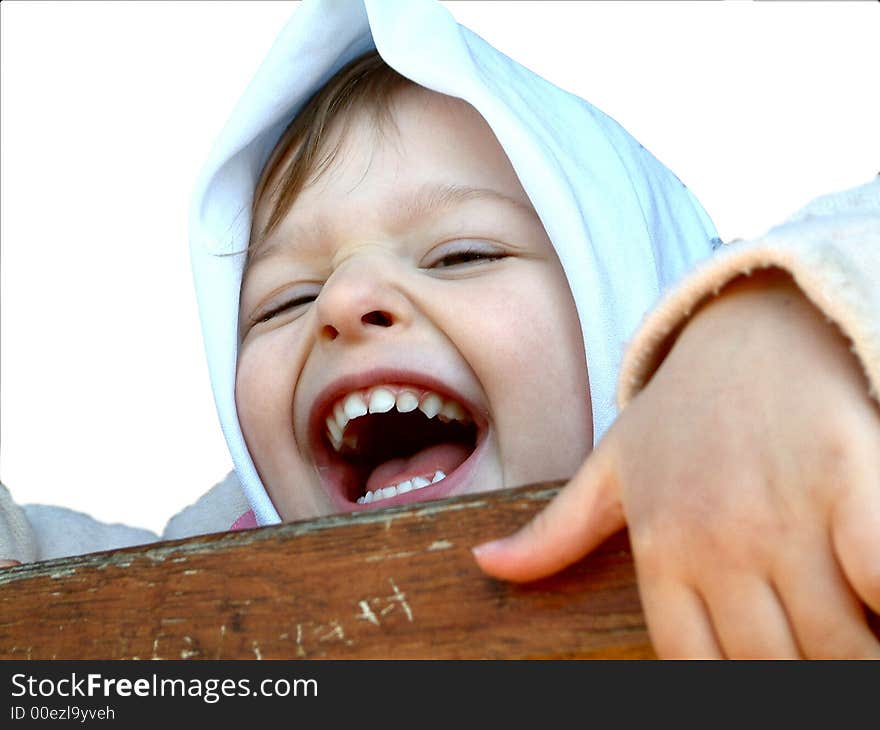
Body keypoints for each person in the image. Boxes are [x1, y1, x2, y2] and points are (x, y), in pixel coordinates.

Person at [2, 0, 878, 659]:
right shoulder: (232, 545)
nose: (345, 303)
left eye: (461, 255)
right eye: (282, 302)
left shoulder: (783, 437)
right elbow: (38, 579)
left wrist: (778, 323)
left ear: (646, 301)